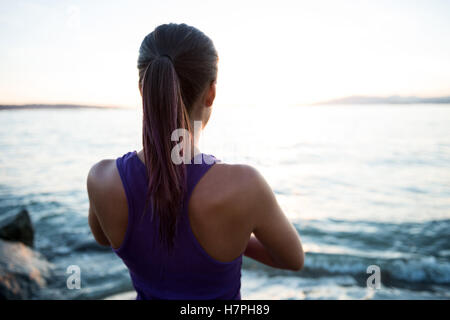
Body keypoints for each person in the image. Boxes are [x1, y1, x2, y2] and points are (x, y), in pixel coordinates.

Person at [87, 23, 304, 300]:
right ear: (211, 93)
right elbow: (292, 259)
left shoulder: (101, 178)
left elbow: (103, 236)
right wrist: (236, 235)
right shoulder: (244, 186)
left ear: (143, 89)